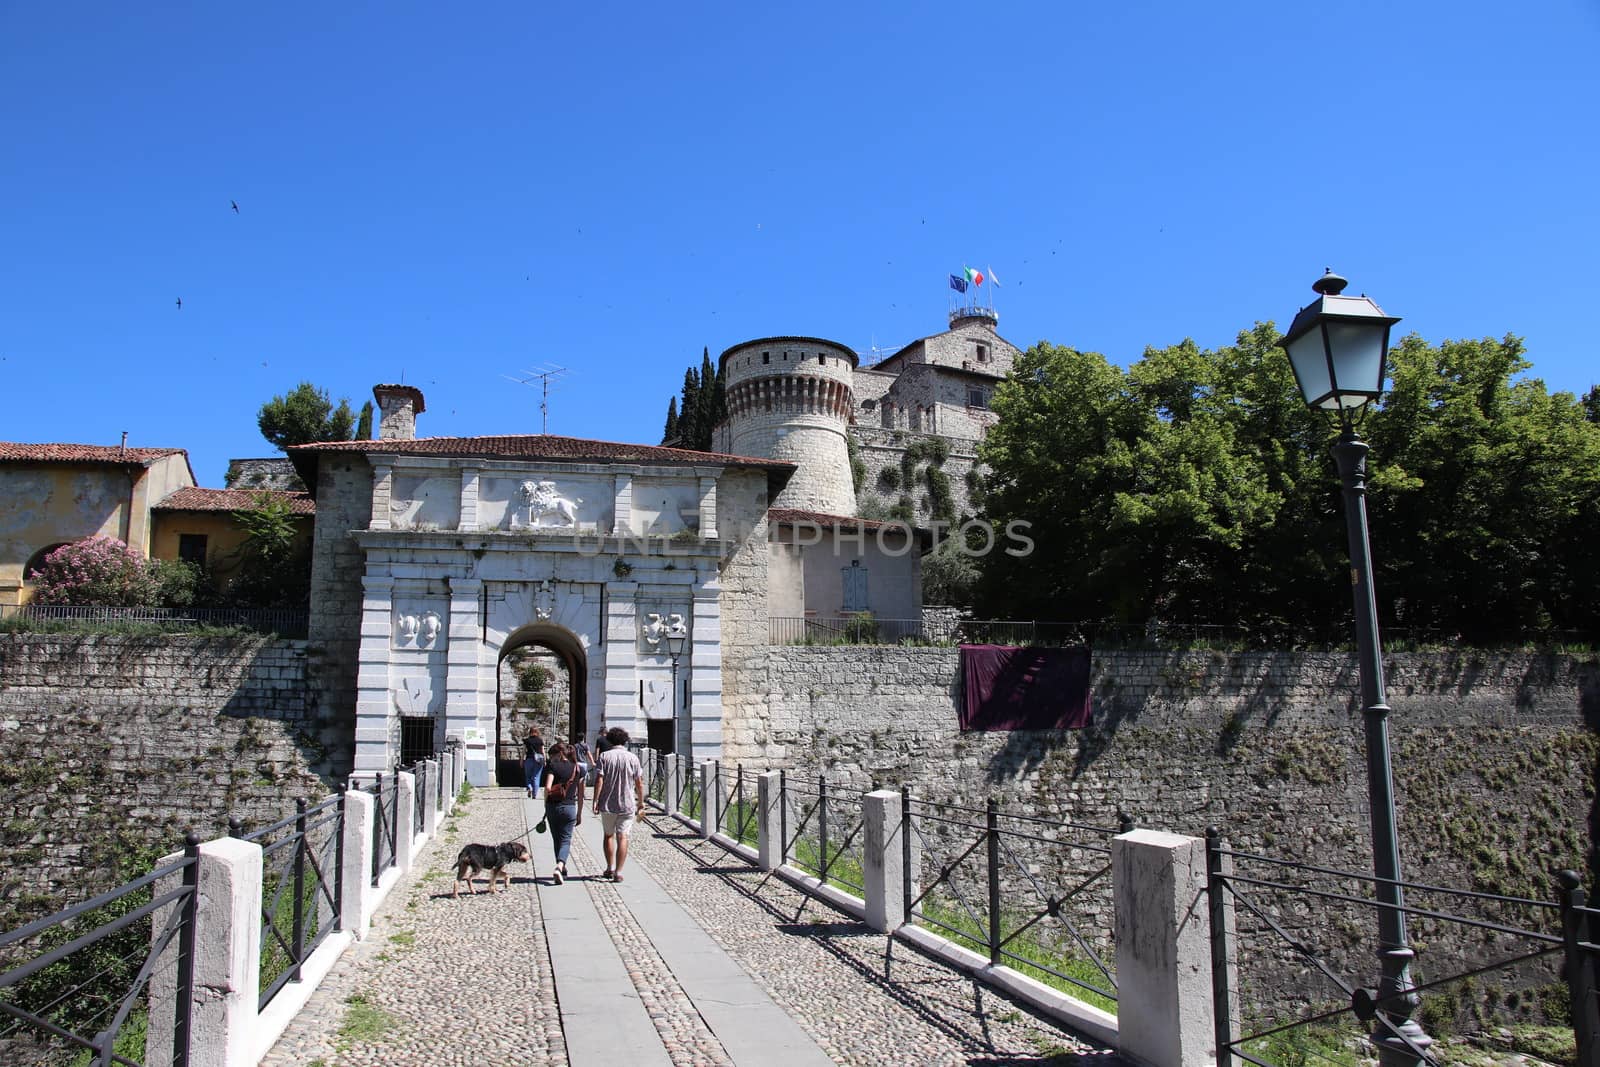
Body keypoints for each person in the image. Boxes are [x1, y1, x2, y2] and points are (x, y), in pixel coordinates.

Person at [591, 726, 645, 882]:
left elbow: (599, 780)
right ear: (625, 741)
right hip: (627, 804)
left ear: (609, 740)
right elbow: (639, 783)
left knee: (608, 835)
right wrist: (640, 802)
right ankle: (619, 872)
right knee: (623, 837)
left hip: (607, 803)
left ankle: (610, 867)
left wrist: (595, 800)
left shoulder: (604, 757)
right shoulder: (633, 758)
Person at [540, 741, 584, 884]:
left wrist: (546, 805)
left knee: (556, 839)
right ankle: (560, 866)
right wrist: (579, 813)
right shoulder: (578, 769)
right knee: (566, 839)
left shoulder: (553, 766)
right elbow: (581, 794)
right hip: (570, 807)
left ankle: (561, 866)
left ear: (559, 753)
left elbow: (547, 787)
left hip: (553, 807)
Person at [523, 727, 545, 799]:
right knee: (536, 777)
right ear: (537, 732)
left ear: (530, 732)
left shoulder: (526, 741)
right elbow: (543, 751)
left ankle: (529, 787)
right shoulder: (540, 740)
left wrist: (521, 760)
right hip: (538, 761)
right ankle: (534, 794)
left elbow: (523, 751)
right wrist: (544, 760)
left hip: (529, 760)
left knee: (528, 776)